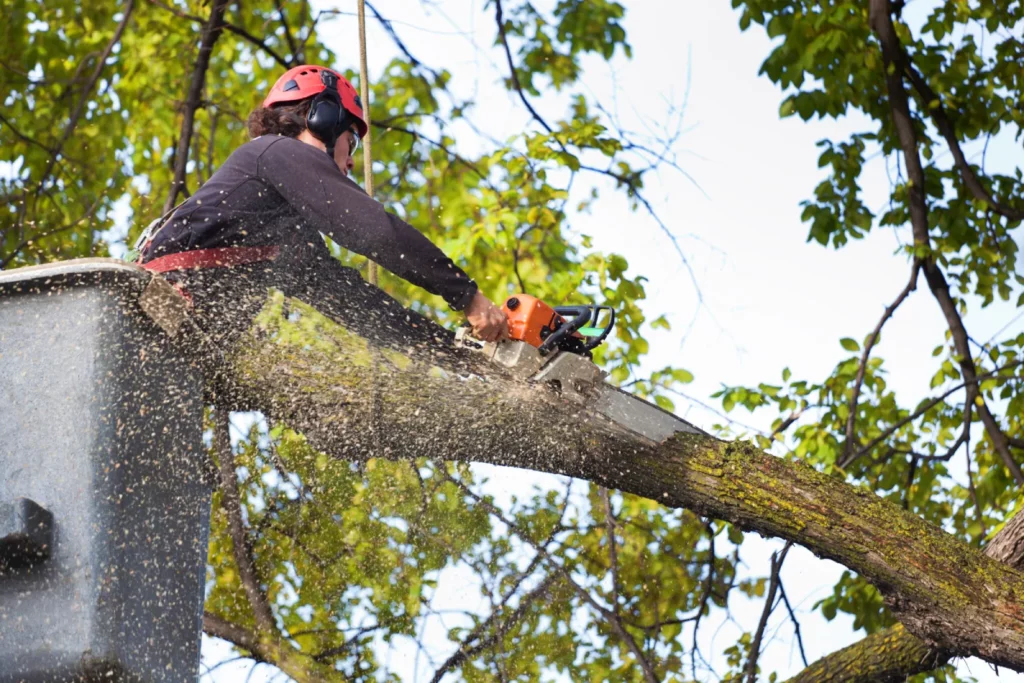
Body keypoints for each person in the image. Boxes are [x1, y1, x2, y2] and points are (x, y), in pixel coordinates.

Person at [138, 64, 509, 354]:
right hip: (152, 314)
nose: (350, 163)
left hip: (172, 342)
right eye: (352, 141)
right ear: (324, 119)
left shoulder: (285, 231)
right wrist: (467, 296)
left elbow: (357, 306)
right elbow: (374, 230)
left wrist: (457, 352)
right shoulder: (274, 152)